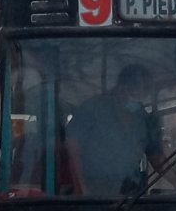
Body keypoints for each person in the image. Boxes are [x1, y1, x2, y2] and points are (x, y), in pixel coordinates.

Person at [65, 64, 166, 196]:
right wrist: (81, 188)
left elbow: (156, 157)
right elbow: (73, 146)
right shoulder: (92, 109)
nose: (140, 97)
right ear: (121, 87)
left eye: (145, 92)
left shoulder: (143, 118)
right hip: (94, 189)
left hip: (130, 192)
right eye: (135, 92)